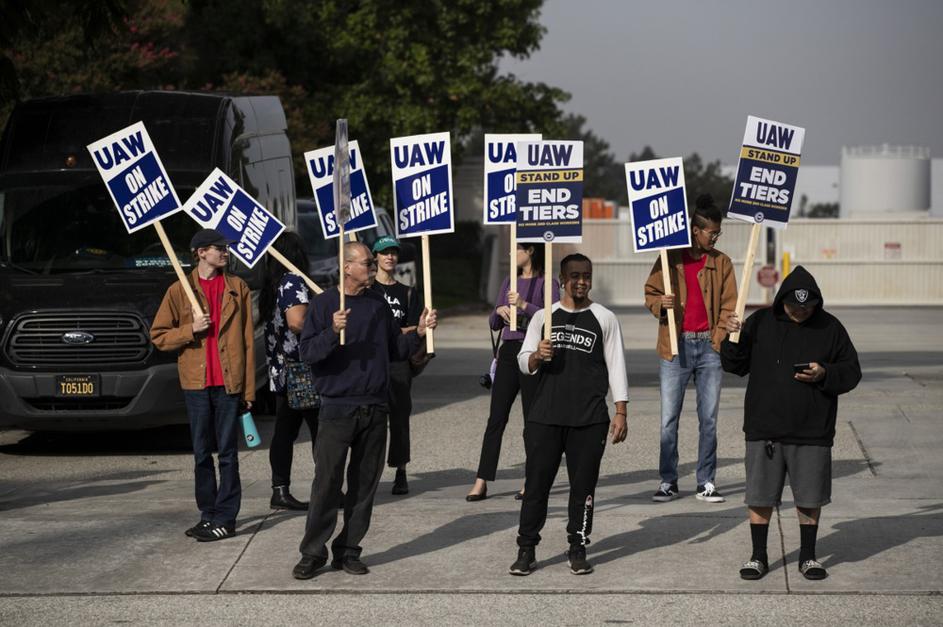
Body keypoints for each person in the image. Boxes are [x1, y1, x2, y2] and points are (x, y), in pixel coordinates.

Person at [292, 241, 437, 579]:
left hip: (374, 407)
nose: (373, 267)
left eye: (373, 263)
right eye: (367, 262)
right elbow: (307, 353)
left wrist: (418, 331)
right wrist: (332, 331)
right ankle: (313, 552)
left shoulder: (376, 304)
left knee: (364, 485)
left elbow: (396, 349)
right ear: (346, 267)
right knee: (326, 484)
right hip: (337, 409)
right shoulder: (324, 304)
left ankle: (349, 550)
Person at [721, 266, 861, 581]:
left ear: (817, 303)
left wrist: (825, 373)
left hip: (812, 430)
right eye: (794, 306)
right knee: (759, 495)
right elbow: (734, 364)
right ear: (781, 300)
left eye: (807, 306)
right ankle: (758, 556)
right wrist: (730, 336)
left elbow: (852, 372)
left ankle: (808, 557)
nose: (800, 311)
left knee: (809, 497)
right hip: (764, 428)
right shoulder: (759, 322)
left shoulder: (831, 328)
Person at [509, 253, 629, 576]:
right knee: (537, 485)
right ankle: (527, 548)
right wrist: (536, 355)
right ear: (562, 280)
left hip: (589, 419)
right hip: (545, 416)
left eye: (586, 275)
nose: (581, 281)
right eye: (574, 275)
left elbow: (616, 364)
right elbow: (522, 361)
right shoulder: (543, 317)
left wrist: (620, 410)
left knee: (583, 488)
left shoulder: (604, 318)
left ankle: (578, 545)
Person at [150, 228, 254, 542]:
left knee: (228, 453)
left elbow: (248, 341)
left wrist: (248, 391)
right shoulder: (179, 291)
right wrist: (190, 329)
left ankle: (226, 518)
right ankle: (208, 514)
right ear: (200, 252)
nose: (225, 252)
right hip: (195, 384)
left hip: (228, 384)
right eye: (218, 248)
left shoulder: (238, 288)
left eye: (225, 248)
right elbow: (158, 336)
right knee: (200, 453)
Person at [644, 194, 737, 504]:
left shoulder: (721, 262)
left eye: (718, 233)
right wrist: (661, 304)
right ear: (696, 229)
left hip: (709, 347)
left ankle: (706, 481)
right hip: (674, 344)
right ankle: (668, 480)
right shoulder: (669, 256)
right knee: (669, 419)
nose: (716, 237)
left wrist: (719, 336)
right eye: (712, 232)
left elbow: (729, 304)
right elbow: (651, 292)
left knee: (708, 419)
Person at [467, 243, 559, 501]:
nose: (509, 254)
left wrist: (524, 305)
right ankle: (481, 480)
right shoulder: (510, 280)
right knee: (496, 418)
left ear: (529, 250)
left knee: (532, 420)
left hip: (532, 353)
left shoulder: (546, 282)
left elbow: (552, 316)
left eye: (515, 249)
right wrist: (499, 310)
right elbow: (494, 322)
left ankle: (531, 479)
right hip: (507, 351)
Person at [260, 231, 319, 510]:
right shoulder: (293, 282)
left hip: (281, 370)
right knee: (322, 431)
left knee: (285, 431)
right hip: (301, 369)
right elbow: (297, 321)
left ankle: (279, 488)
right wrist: (330, 326)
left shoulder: (272, 286)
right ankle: (327, 489)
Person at [370, 236, 423, 495]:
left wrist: (398, 332)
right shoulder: (368, 292)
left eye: (393, 253)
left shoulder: (408, 292)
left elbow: (415, 328)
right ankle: (370, 471)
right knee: (373, 419)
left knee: (400, 418)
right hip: (373, 362)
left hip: (399, 362)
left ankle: (400, 470)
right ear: (375, 257)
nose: (389, 257)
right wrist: (399, 331)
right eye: (384, 253)